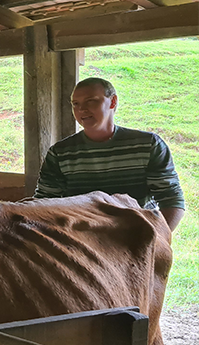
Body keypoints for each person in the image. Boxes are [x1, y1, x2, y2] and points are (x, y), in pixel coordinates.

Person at [35, 77, 186, 231]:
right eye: (76, 104)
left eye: (91, 101)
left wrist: (157, 239)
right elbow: (44, 202)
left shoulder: (148, 145)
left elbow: (171, 199)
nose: (81, 109)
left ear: (113, 102)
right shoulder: (60, 153)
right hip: (81, 238)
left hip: (137, 234)